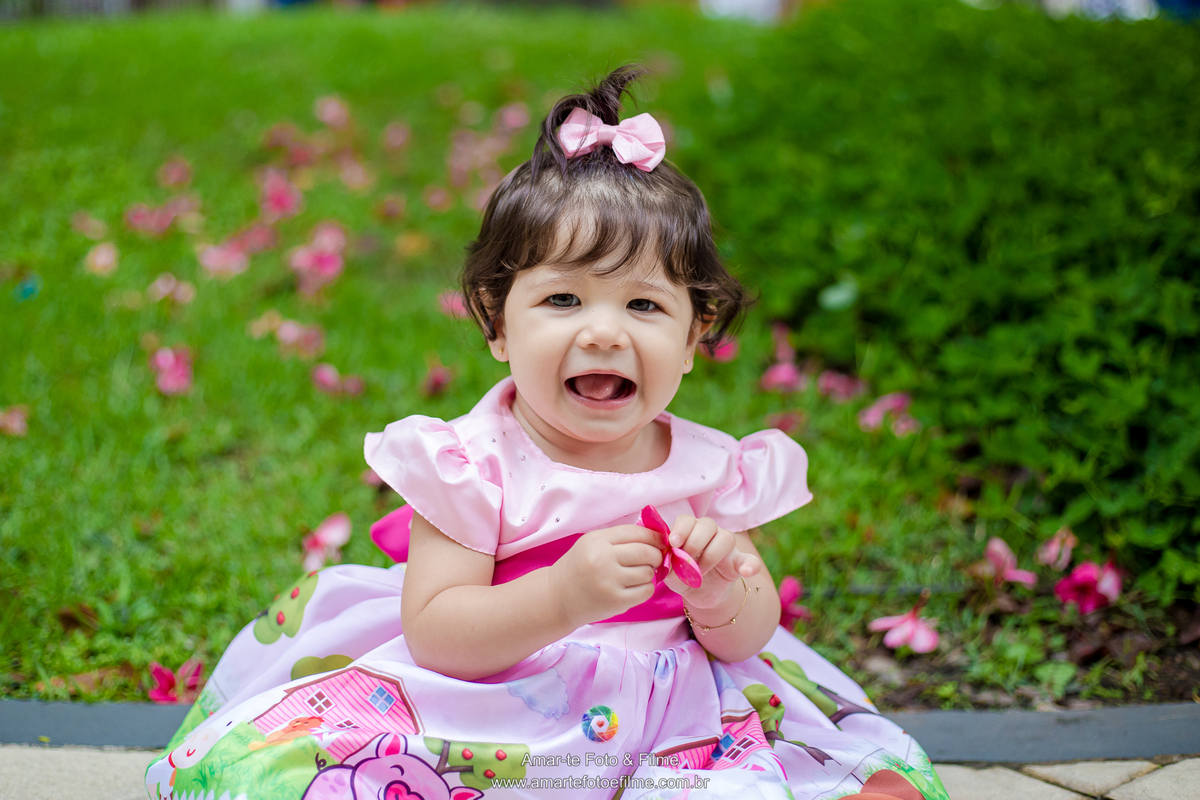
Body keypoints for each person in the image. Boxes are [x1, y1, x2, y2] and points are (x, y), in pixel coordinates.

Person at [144, 66, 949, 800]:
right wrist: (563, 595)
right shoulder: (474, 463)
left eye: (643, 305)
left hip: (679, 725)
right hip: (505, 707)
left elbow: (748, 636)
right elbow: (439, 634)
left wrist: (723, 591)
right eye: (563, 301)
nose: (604, 333)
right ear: (497, 324)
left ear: (697, 336)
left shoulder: (708, 468)